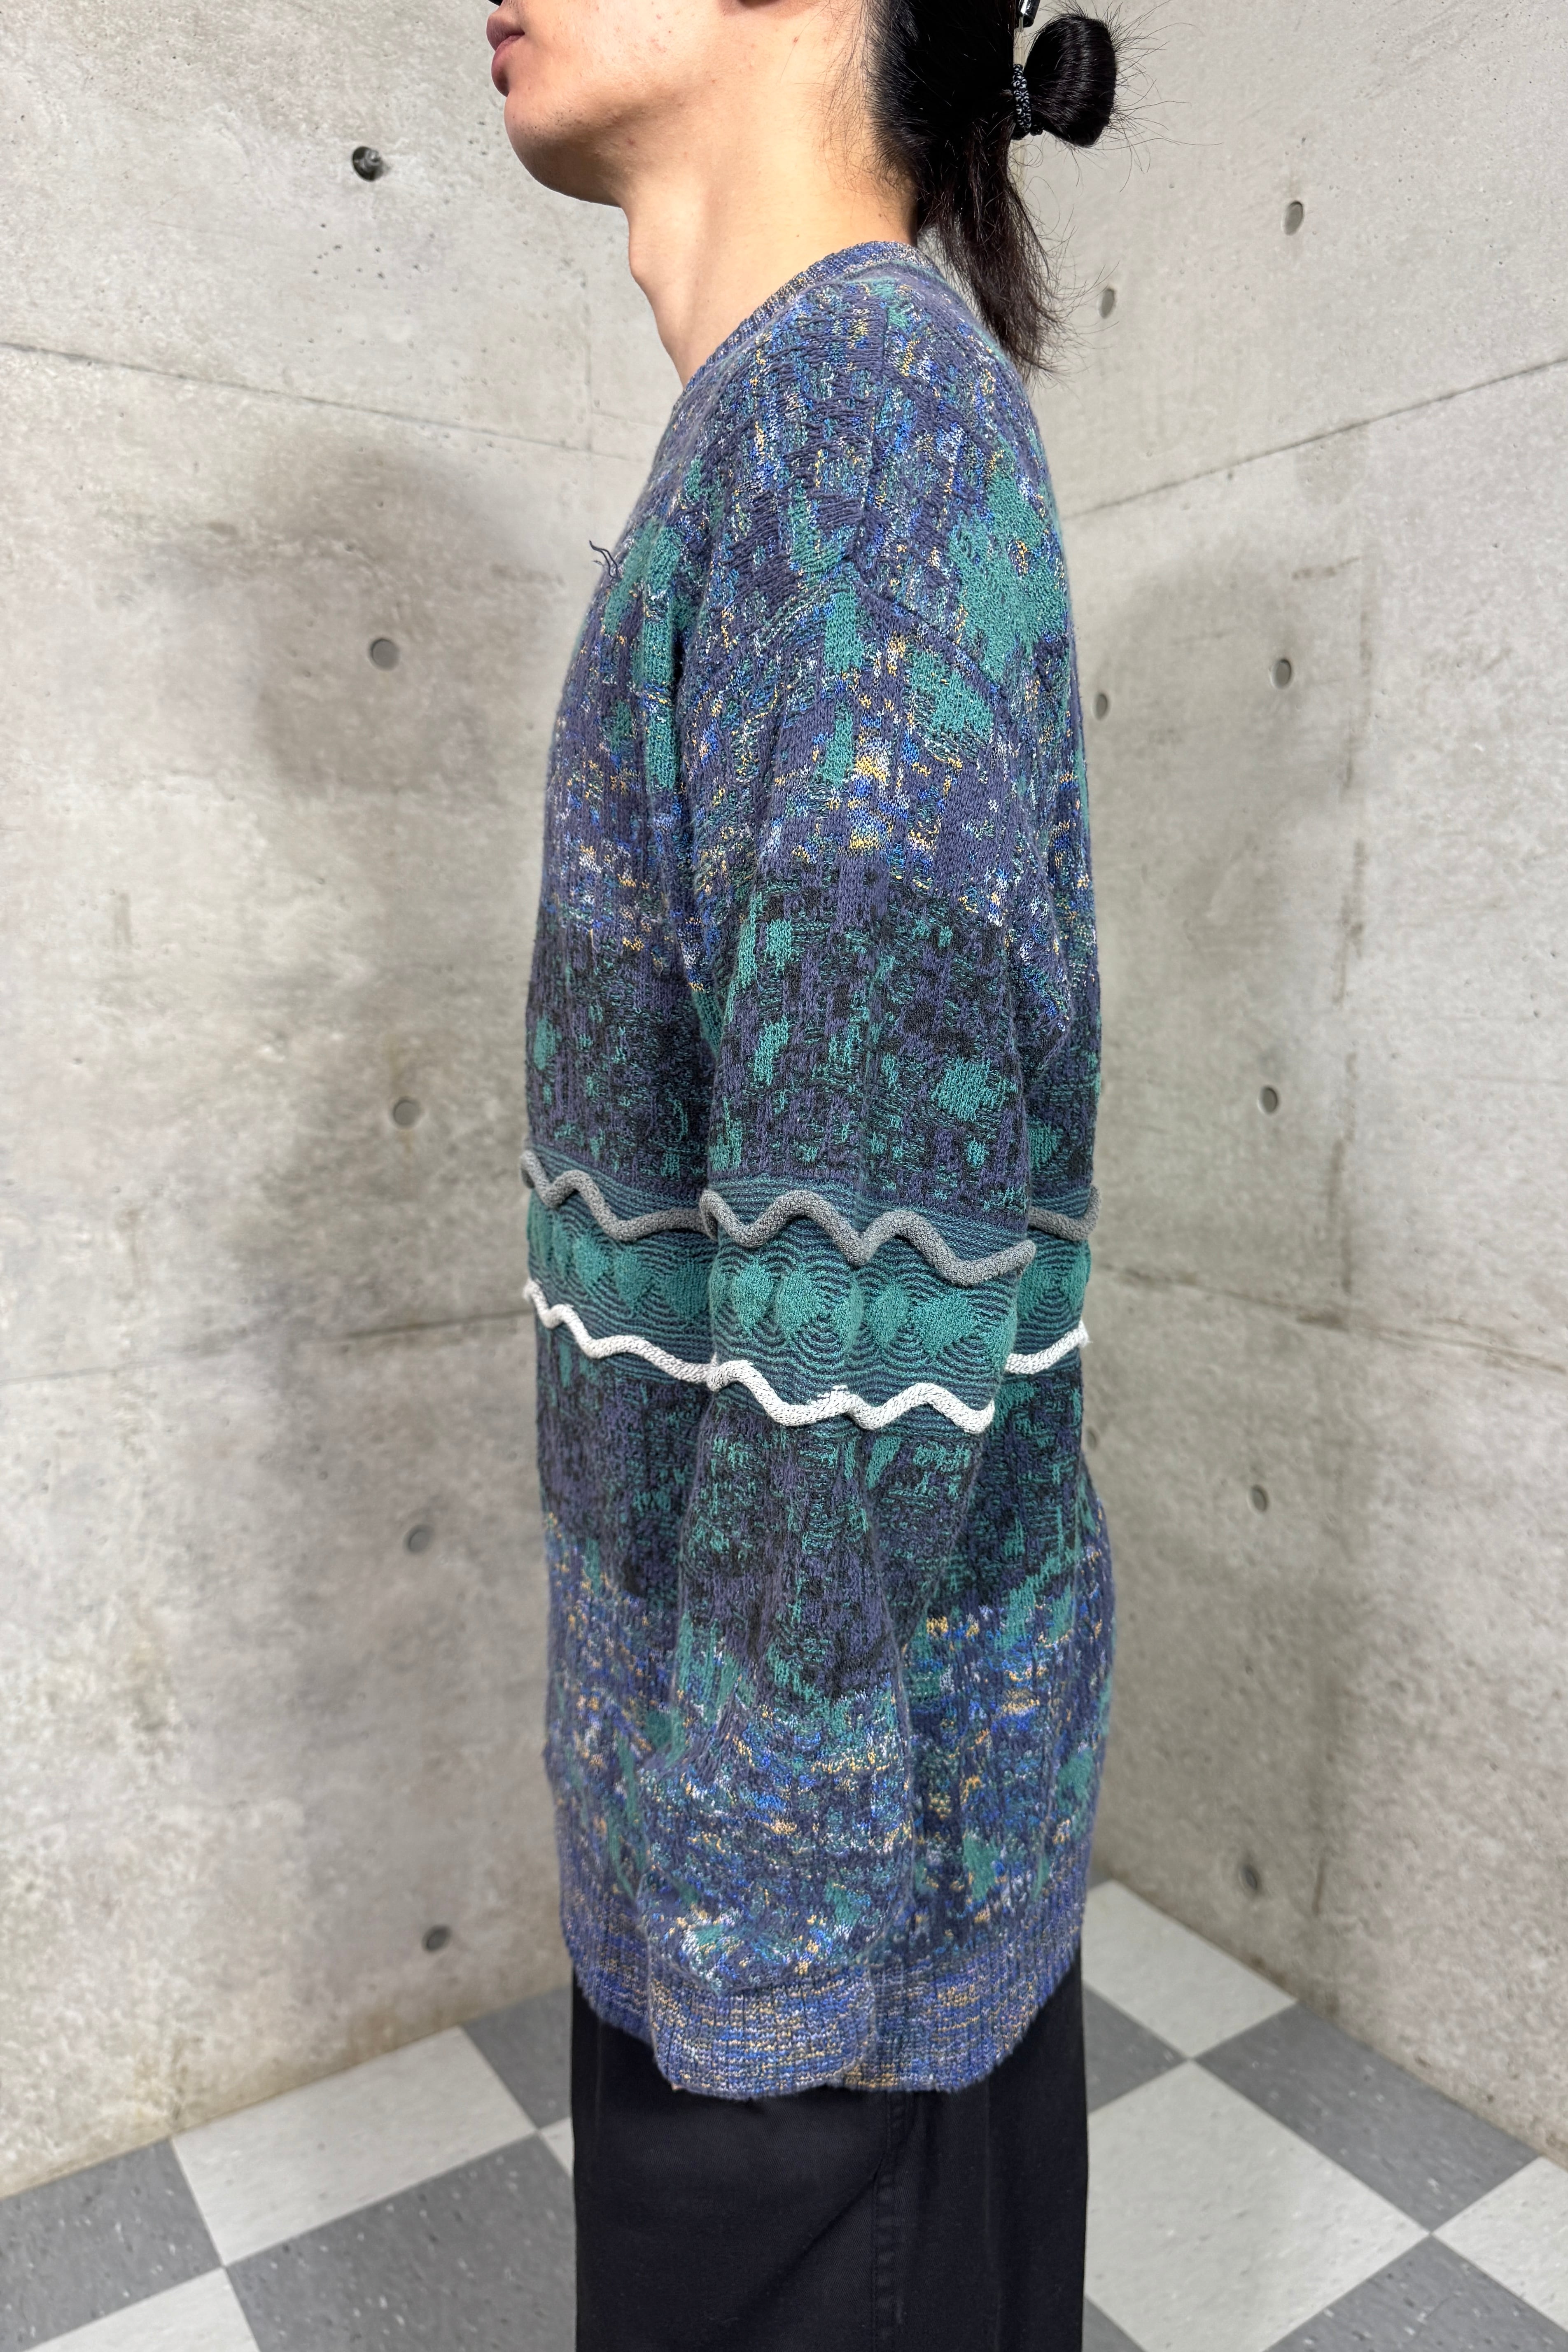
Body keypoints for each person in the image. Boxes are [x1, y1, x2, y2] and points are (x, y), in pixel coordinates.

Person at [487, 0, 1118, 2340]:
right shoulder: (801, 420)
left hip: (813, 1950)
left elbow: (874, 1299)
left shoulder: (855, 421)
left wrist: (753, 1959)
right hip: (779, 1886)